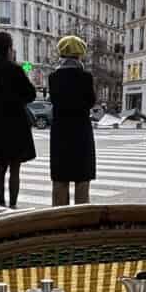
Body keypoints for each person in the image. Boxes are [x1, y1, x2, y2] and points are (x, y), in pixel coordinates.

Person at [0, 30, 35, 209]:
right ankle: (12, 205)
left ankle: (1, 204)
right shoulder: (15, 69)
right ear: (8, 49)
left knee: (0, 168)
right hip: (16, 125)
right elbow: (31, 94)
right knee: (15, 169)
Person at [49, 35, 96, 206]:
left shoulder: (53, 77)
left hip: (60, 131)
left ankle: (59, 217)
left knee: (60, 178)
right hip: (81, 130)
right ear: (79, 55)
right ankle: (81, 217)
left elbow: (54, 100)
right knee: (82, 179)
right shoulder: (86, 77)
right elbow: (91, 101)